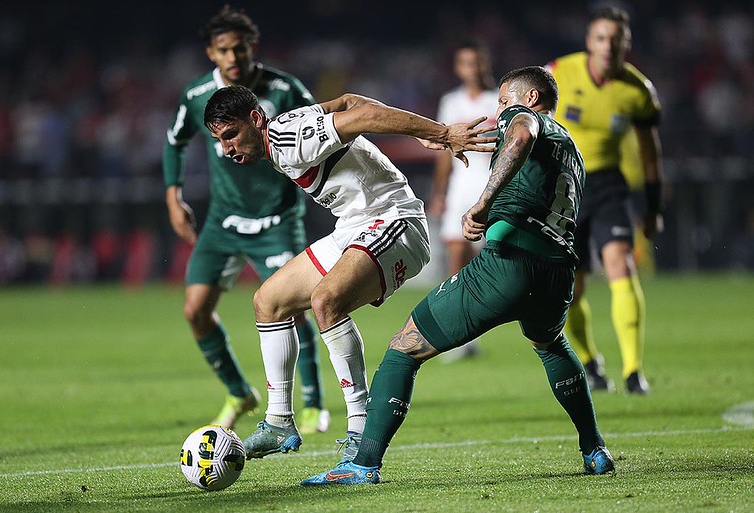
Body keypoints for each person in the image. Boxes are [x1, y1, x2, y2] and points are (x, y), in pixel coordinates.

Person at [300, 66, 615, 486]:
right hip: (558, 273)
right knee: (551, 344)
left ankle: (362, 464)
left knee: (402, 349)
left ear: (532, 98)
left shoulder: (525, 118)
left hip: (507, 264)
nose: (500, 109)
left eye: (503, 101)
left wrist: (484, 204)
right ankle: (594, 449)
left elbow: (519, 136)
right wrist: (438, 135)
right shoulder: (571, 147)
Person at [202, 84, 492, 459]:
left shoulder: (291, 138)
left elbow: (366, 116)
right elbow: (349, 102)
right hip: (354, 227)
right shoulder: (281, 131)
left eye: (231, 135)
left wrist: (441, 133)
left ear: (256, 120)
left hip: (395, 220)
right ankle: (279, 422)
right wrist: (425, 133)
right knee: (268, 302)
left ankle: (359, 429)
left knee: (326, 300)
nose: (227, 149)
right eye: (220, 140)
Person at [162, 5, 330, 433]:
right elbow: (174, 142)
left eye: (240, 48)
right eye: (224, 50)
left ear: (252, 47)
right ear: (210, 53)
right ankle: (239, 391)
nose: (233, 57)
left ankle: (312, 404)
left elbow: (323, 126)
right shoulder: (197, 95)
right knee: (195, 311)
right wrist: (173, 196)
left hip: (277, 218)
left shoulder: (284, 88)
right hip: (223, 221)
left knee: (294, 307)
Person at [546, 6, 664, 394]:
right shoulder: (559, 73)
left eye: (615, 39)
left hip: (609, 185)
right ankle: (592, 363)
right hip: (564, 186)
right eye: (601, 38)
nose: (608, 45)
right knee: (573, 288)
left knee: (620, 262)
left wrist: (653, 206)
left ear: (626, 43)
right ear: (589, 42)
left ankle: (633, 372)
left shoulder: (638, 91)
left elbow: (650, 153)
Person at [429, 39, 500, 363]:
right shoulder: (451, 102)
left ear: (486, 63)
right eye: (466, 63)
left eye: (478, 61)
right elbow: (445, 152)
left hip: (493, 185)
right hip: (461, 185)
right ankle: (458, 336)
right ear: (458, 68)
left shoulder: (499, 98)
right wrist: (440, 193)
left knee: (489, 264)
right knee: (456, 259)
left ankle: (478, 329)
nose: (473, 68)